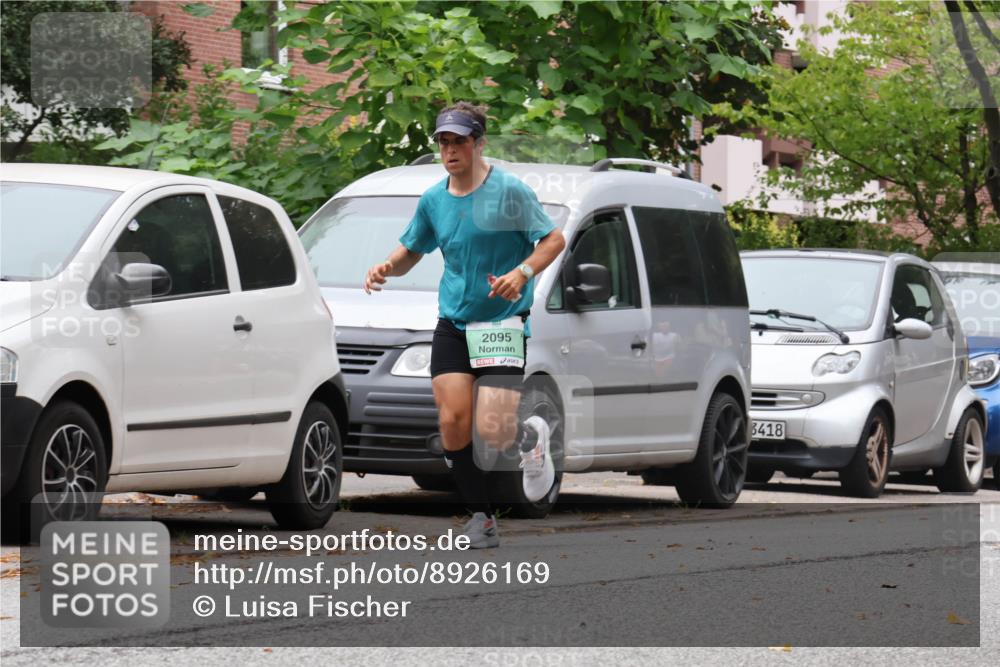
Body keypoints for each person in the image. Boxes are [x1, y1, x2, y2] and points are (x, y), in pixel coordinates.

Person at [363, 101, 566, 548]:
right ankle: (482, 516)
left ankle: (530, 436)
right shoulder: (434, 199)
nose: (450, 150)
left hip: (502, 323)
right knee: (453, 418)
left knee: (494, 429)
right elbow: (412, 248)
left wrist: (522, 273)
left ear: (478, 143)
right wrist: (386, 268)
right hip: (454, 322)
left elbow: (553, 239)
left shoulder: (510, 192)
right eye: (444, 142)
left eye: (459, 141)